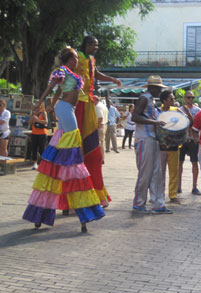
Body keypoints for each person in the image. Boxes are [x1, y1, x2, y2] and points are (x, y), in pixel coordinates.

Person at [22, 47, 105, 233]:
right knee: (73, 147)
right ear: (67, 59)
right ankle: (78, 211)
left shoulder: (70, 74)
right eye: (74, 58)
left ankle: (41, 215)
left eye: (76, 58)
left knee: (64, 148)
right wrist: (39, 104)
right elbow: (51, 88)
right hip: (66, 109)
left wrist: (51, 105)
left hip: (66, 108)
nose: (77, 61)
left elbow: (59, 91)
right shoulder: (62, 71)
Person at [74, 35, 122, 207]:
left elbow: (96, 75)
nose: (96, 48)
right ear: (87, 44)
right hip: (78, 101)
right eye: (94, 45)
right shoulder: (76, 56)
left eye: (97, 45)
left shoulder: (92, 59)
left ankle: (95, 193)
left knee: (92, 147)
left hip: (88, 101)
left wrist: (112, 80)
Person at [132, 75, 172, 214]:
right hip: (144, 139)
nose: (160, 92)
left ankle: (158, 204)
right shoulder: (144, 98)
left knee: (156, 173)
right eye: (159, 89)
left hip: (151, 138)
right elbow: (135, 116)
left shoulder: (150, 99)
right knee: (146, 173)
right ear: (152, 88)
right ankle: (139, 203)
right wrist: (154, 122)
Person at [157, 90, 193, 204]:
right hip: (161, 146)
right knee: (160, 172)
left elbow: (187, 122)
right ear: (164, 100)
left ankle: (173, 195)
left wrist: (186, 113)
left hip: (174, 145)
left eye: (173, 98)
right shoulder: (157, 111)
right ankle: (159, 195)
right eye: (171, 99)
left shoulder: (177, 110)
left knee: (174, 171)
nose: (174, 101)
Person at [177, 91, 201, 196]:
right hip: (182, 139)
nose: (191, 99)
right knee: (179, 163)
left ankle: (194, 186)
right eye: (189, 97)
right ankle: (178, 186)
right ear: (184, 98)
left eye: (192, 97)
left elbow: (197, 125)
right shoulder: (179, 110)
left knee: (195, 163)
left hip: (192, 139)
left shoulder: (198, 110)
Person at [29, 102, 48, 170]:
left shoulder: (43, 112)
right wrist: (33, 117)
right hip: (34, 133)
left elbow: (46, 122)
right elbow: (30, 123)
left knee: (42, 148)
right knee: (34, 148)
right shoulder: (33, 113)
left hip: (42, 133)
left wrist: (37, 120)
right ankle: (35, 163)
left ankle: (42, 163)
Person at [94, 96, 108, 162]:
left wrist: (97, 126)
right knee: (102, 142)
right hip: (104, 124)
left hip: (100, 126)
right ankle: (102, 158)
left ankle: (100, 158)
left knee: (98, 143)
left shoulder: (97, 107)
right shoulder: (103, 105)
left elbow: (100, 117)